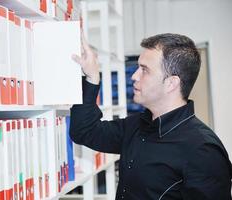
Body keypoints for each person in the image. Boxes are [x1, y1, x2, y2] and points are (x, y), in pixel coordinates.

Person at [70, 33, 232, 200]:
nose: (134, 76)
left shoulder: (203, 150)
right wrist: (92, 77)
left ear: (171, 83)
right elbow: (84, 131)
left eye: (144, 70)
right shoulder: (137, 125)